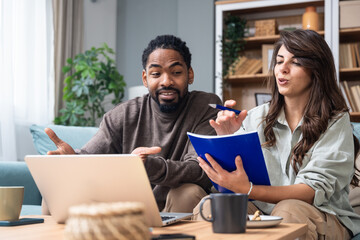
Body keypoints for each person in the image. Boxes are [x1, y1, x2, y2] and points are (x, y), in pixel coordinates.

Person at [193, 29, 360, 239]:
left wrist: (249, 189)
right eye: (279, 61)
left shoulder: (336, 121)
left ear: (316, 70)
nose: (283, 69)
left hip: (322, 215)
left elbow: (310, 191)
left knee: (288, 211)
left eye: (296, 62)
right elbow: (232, 182)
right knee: (210, 207)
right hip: (261, 211)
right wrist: (227, 139)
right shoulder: (256, 117)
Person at [45, 35, 222, 212]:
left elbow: (201, 171)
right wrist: (71, 161)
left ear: (189, 74)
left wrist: (148, 166)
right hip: (126, 205)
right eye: (156, 74)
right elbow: (90, 157)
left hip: (173, 207)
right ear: (145, 78)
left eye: (176, 73)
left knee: (187, 192)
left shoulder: (205, 106)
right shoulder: (123, 114)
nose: (166, 81)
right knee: (55, 191)